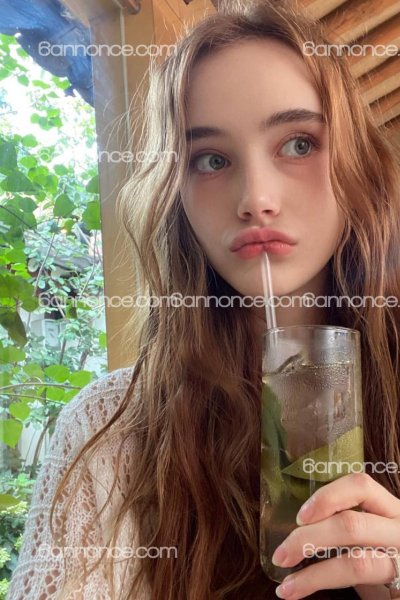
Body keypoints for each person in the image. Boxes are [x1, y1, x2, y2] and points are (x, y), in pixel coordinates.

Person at [7, 0, 400, 598]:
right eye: (211, 159)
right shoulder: (110, 433)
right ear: (176, 194)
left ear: (359, 165)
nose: (256, 198)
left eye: (299, 144)